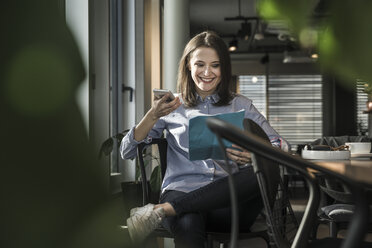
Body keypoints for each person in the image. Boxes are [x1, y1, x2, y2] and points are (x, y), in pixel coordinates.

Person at [120, 31, 288, 248]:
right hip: (182, 190)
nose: (207, 72)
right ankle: (172, 208)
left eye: (215, 65)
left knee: (263, 169)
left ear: (223, 68)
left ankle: (162, 210)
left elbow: (281, 145)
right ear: (188, 65)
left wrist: (255, 154)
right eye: (200, 64)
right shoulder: (171, 106)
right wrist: (152, 115)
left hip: (230, 204)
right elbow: (127, 151)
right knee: (188, 220)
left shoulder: (241, 104)